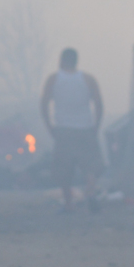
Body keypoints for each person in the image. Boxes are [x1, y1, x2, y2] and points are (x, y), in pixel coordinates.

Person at [40, 48, 104, 210]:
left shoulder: (53, 80)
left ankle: (68, 204)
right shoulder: (88, 79)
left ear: (61, 60)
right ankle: (90, 193)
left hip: (63, 130)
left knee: (63, 169)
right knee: (90, 165)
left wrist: (50, 127)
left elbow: (43, 104)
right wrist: (95, 126)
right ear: (76, 61)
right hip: (86, 129)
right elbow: (99, 104)